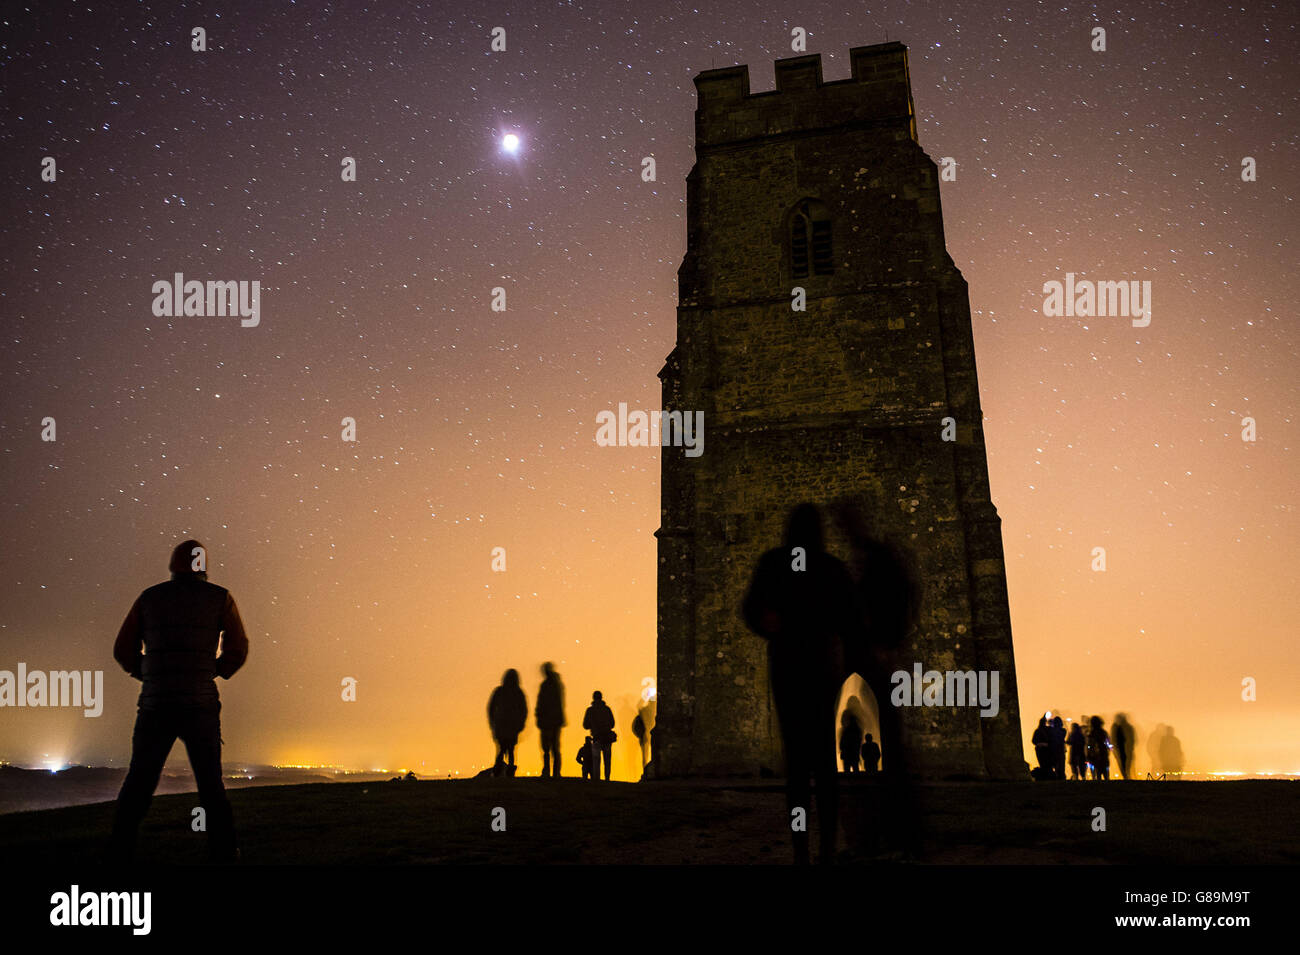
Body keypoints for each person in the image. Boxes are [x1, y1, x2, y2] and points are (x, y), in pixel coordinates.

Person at [108, 539, 248, 862]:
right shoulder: (220, 598)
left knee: (139, 782)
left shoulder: (149, 598)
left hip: (156, 705)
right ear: (203, 566)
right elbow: (237, 648)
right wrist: (216, 670)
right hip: (200, 704)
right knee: (211, 785)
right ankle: (225, 853)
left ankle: (118, 852)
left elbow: (122, 649)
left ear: (173, 564)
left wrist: (147, 673)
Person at [742, 503, 859, 864]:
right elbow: (852, 621)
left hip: (791, 668)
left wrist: (770, 624)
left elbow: (750, 609)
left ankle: (801, 851)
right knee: (823, 763)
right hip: (819, 669)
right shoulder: (830, 568)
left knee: (798, 766)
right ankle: (823, 847)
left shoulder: (776, 563)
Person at [488, 669, 527, 776]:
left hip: (501, 725)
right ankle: (509, 771)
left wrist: (492, 722)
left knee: (501, 749)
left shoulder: (499, 691)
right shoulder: (518, 692)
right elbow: (524, 709)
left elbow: (491, 707)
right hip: (512, 726)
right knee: (510, 749)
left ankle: (498, 770)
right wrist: (521, 723)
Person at [535, 662, 565, 778]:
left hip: (548, 721)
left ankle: (548, 771)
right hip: (555, 720)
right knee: (554, 747)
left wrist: (539, 716)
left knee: (548, 748)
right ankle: (555, 772)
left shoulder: (547, 685)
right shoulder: (557, 684)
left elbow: (541, 703)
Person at [582, 691, 617, 780]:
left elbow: (585, 725)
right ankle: (607, 779)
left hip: (596, 738)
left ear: (593, 698)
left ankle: (597, 780)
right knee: (607, 761)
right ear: (601, 697)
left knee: (596, 761)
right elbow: (612, 724)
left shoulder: (590, 710)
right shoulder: (607, 709)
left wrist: (593, 725)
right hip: (607, 738)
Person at [1086, 715, 1111, 780]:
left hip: (1096, 755)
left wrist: (1089, 753)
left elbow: (1090, 744)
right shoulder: (1103, 732)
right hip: (1103, 753)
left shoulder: (1092, 733)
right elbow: (1108, 742)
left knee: (1098, 772)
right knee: (1105, 773)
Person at [1110, 713, 1134, 780]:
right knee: (1124, 763)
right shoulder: (1126, 727)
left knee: (1123, 763)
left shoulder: (1117, 727)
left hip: (1123, 749)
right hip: (1121, 749)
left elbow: (1112, 738)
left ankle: (1126, 775)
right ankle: (1126, 776)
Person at [1048, 716, 1067, 780]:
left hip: (1053, 750)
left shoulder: (1051, 731)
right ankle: (1062, 777)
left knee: (1056, 765)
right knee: (1061, 765)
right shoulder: (1063, 731)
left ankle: (1057, 778)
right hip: (1061, 749)